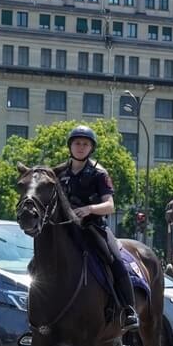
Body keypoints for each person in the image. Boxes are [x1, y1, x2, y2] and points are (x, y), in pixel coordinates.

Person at [56, 125, 138, 330]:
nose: (81, 147)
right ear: (70, 146)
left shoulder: (99, 173)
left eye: (85, 144)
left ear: (91, 148)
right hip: (66, 229)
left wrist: (89, 209)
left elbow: (110, 205)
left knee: (115, 260)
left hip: (94, 228)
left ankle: (129, 310)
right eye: (77, 143)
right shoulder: (59, 172)